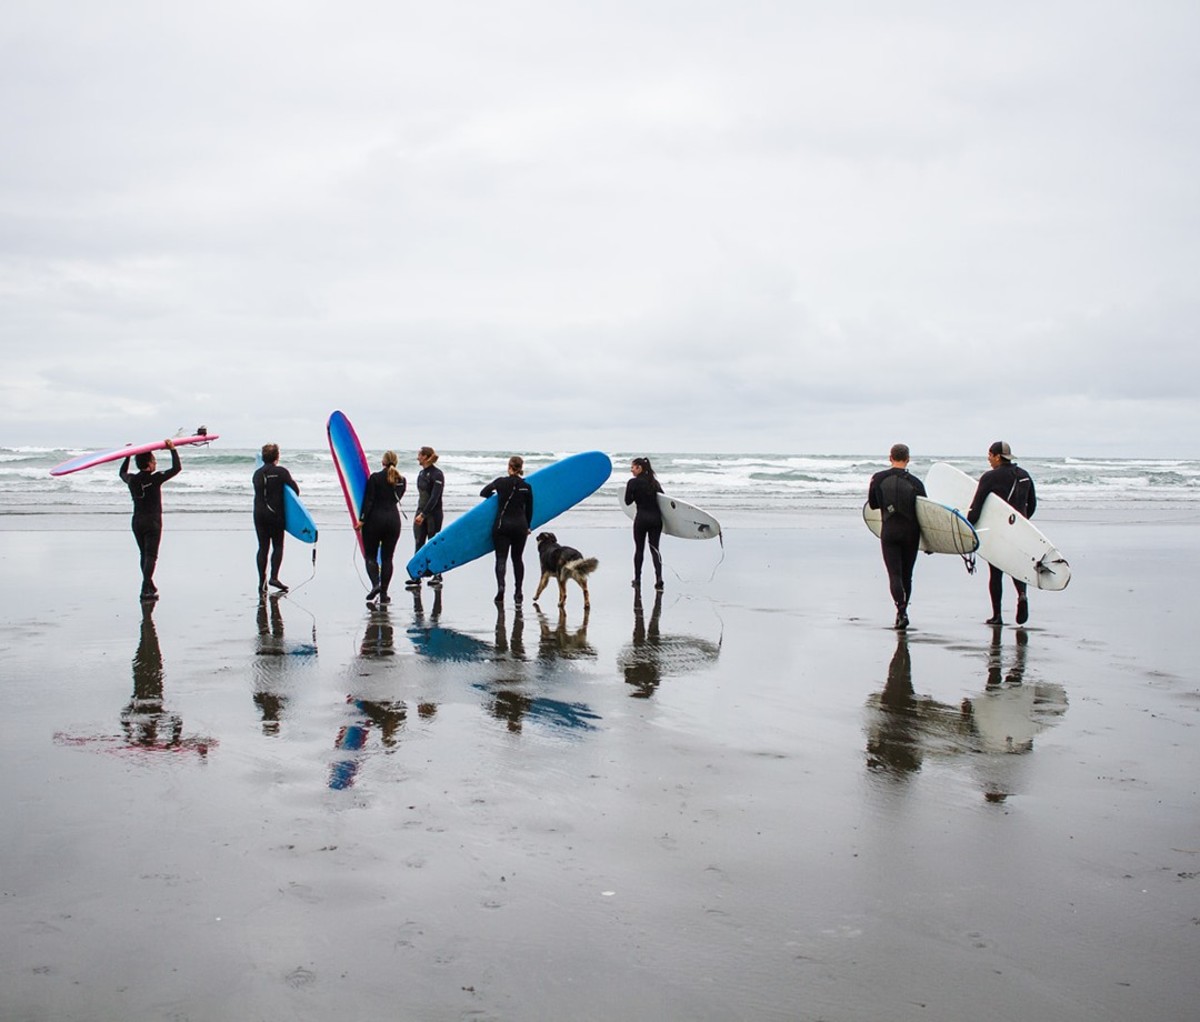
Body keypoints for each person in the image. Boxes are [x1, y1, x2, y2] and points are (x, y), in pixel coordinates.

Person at [969, 441, 1037, 625]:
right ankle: (1022, 595)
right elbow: (1032, 504)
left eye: (990, 455)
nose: (989, 459)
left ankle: (997, 615)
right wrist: (1023, 523)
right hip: (1019, 530)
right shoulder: (1024, 475)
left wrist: (968, 525)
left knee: (996, 572)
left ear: (997, 456)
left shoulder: (990, 477)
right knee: (1016, 567)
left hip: (998, 531)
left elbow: (977, 505)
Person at [867, 443, 927, 630]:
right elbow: (925, 512)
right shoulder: (916, 483)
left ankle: (900, 611)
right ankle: (903, 612)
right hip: (911, 533)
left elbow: (873, 504)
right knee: (907, 576)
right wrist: (930, 543)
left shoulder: (878, 478)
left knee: (894, 575)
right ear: (908, 458)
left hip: (890, 531)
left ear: (890, 457)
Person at [119, 439, 182, 601]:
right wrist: (172, 450)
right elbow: (177, 468)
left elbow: (121, 473)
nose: (155, 463)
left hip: (137, 521)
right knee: (151, 555)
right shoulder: (156, 478)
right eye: (154, 461)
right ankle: (145, 587)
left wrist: (127, 455)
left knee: (144, 554)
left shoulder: (132, 480)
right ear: (148, 464)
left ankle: (149, 585)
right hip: (153, 522)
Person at [480, 455, 534, 605]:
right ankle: (518, 592)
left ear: (509, 466)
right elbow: (529, 510)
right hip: (520, 527)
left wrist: (495, 496)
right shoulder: (527, 487)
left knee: (501, 559)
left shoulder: (500, 482)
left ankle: (501, 588)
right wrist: (527, 526)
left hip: (502, 526)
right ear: (521, 468)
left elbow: (483, 492)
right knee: (517, 559)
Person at [356, 450, 406, 605]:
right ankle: (384, 594)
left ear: (383, 462)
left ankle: (375, 584)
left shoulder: (375, 478)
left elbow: (369, 501)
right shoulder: (402, 480)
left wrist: (361, 520)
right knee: (387, 558)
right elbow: (395, 499)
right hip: (393, 521)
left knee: (370, 556)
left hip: (374, 521)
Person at [252, 443, 300, 595]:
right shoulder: (281, 472)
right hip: (275, 515)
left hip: (259, 514)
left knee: (262, 547)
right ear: (277, 457)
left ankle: (262, 581)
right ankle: (274, 577)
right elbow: (295, 491)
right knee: (278, 546)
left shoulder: (257, 474)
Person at [624, 457, 664, 591]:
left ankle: (637, 579)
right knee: (655, 549)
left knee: (639, 549)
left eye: (633, 467)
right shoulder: (654, 482)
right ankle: (659, 578)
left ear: (640, 468)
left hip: (641, 519)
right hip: (656, 520)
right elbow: (664, 500)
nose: (631, 470)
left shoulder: (632, 483)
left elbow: (627, 501)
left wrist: (635, 494)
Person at [411, 446, 445, 588]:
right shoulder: (421, 473)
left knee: (433, 543)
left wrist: (424, 514)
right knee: (419, 542)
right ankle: (416, 575)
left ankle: (437, 574)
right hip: (420, 511)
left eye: (419, 454)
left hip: (433, 514)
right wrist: (420, 513)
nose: (417, 457)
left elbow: (435, 497)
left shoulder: (437, 474)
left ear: (425, 456)